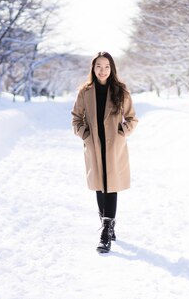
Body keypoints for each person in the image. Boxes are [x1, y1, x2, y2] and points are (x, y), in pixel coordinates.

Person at [71, 51, 138, 253]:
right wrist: (85, 134)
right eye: (99, 66)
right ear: (93, 68)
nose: (103, 70)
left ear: (112, 68)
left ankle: (106, 231)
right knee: (100, 186)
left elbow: (132, 118)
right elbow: (76, 118)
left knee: (112, 186)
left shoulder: (121, 91)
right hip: (94, 145)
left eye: (107, 66)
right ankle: (106, 223)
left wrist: (122, 132)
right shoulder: (85, 92)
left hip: (114, 146)